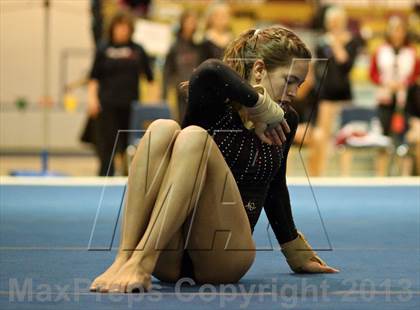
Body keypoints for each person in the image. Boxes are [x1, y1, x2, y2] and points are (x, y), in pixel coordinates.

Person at [89, 25, 339, 294]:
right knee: (162, 128)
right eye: (289, 81)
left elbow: (275, 187)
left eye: (299, 85)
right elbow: (209, 70)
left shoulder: (285, 120)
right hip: (170, 254)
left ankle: (142, 260)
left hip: (224, 256)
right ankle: (125, 258)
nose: (294, 92)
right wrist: (260, 106)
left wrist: (295, 251)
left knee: (194, 136)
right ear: (258, 70)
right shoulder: (215, 103)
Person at [87, 11, 154, 176]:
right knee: (107, 143)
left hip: (132, 105)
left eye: (125, 28)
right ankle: (105, 175)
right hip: (107, 103)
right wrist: (92, 100)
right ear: (113, 29)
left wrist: (151, 104)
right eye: (119, 27)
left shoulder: (138, 50)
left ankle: (129, 176)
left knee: (129, 144)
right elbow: (94, 77)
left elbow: (150, 79)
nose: (122, 31)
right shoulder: (103, 48)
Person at [315, 6, 361, 174]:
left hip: (344, 93)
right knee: (324, 134)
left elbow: (345, 63)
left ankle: (345, 173)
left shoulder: (352, 41)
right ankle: (321, 172)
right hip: (326, 93)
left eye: (337, 21)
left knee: (345, 136)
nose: (333, 25)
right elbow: (319, 65)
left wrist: (335, 41)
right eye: (331, 22)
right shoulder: (321, 41)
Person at [370, 16, 419, 142]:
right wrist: (385, 82)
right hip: (385, 97)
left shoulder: (412, 52)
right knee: (383, 134)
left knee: (404, 133)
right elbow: (373, 73)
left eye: (400, 30)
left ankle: (404, 159)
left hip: (405, 99)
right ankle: (383, 159)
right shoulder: (380, 50)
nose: (397, 33)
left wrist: (404, 84)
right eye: (394, 29)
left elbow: (416, 74)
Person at [162, 9, 203, 122]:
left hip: (196, 92)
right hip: (179, 93)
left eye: (194, 21)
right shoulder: (174, 47)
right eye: (189, 21)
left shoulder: (199, 46)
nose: (192, 24)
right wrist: (165, 94)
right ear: (182, 23)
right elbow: (167, 71)